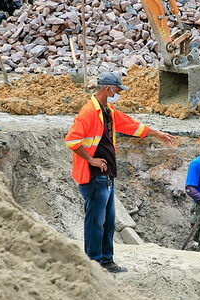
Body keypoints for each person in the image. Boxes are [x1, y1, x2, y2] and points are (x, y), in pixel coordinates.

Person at [65, 72, 177, 273]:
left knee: (107, 222)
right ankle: (94, 265)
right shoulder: (88, 112)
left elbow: (131, 125)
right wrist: (90, 159)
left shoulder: (107, 111)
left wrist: (156, 133)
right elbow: (72, 141)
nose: (118, 93)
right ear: (108, 89)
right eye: (117, 90)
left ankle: (107, 261)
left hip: (106, 176)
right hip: (93, 176)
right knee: (95, 223)